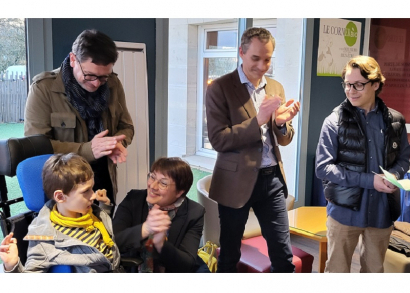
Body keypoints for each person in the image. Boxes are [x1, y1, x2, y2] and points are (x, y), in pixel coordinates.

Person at [205, 27, 300, 273]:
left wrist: (280, 123)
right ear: (241, 53)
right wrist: (258, 120)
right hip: (235, 182)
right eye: (255, 58)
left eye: (267, 59)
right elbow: (219, 140)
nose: (262, 65)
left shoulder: (276, 88)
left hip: (272, 180)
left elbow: (285, 139)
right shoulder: (220, 88)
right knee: (229, 254)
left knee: (282, 254)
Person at [315, 55, 410, 273]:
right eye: (347, 84)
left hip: (382, 211)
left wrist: (394, 174)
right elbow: (323, 167)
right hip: (344, 212)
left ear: (376, 84)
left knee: (374, 272)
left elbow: (404, 158)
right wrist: (370, 181)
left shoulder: (396, 120)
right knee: (337, 272)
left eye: (358, 84)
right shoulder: (333, 121)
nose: (351, 91)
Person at [24, 29, 134, 205]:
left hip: (104, 179)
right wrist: (88, 150)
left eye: (103, 77)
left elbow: (127, 127)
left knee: (104, 226)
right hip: (65, 189)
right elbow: (35, 146)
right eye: (90, 75)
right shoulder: (43, 88)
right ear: (73, 59)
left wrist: (115, 143)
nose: (96, 83)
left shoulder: (113, 84)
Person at [0, 153, 122, 273]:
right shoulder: (44, 239)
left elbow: (102, 233)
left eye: (92, 188)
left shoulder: (90, 213)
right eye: (86, 191)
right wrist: (12, 266)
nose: (93, 195)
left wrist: (104, 207)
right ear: (60, 196)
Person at [113, 157, 206, 273]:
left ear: (179, 192)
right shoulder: (133, 199)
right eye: (152, 177)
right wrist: (145, 229)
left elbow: (187, 265)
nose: (153, 186)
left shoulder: (194, 212)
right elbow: (112, 242)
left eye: (163, 183)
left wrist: (161, 244)